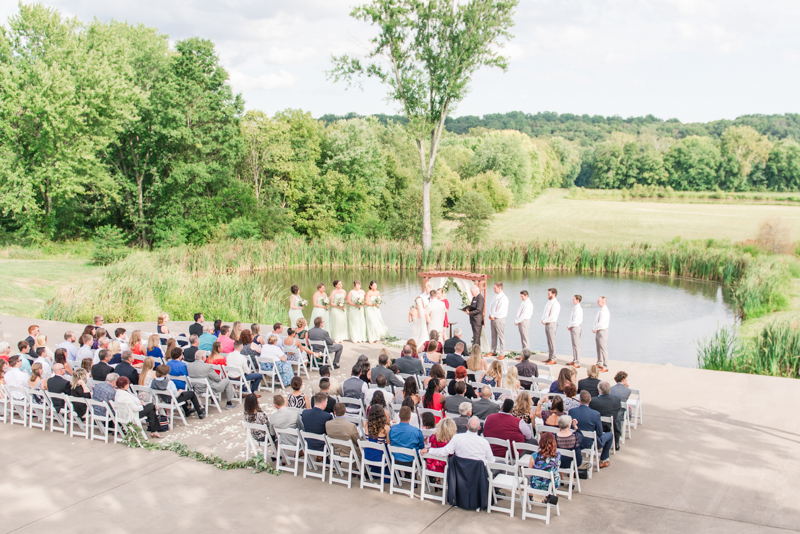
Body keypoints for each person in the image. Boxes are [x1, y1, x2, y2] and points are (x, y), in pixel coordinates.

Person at [421, 417, 494, 465]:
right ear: (479, 428)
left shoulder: (457, 438)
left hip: (461, 471)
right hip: (477, 473)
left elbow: (444, 451)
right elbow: (491, 461)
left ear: (467, 426)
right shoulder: (484, 442)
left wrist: (429, 450)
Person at [569, 390, 613, 468]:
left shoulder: (572, 411)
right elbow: (599, 433)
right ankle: (603, 459)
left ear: (579, 400)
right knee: (610, 435)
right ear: (590, 400)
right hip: (588, 442)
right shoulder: (595, 414)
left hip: (575, 440)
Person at [590, 381, 623, 446]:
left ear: (599, 390)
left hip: (599, 425)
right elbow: (618, 409)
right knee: (617, 418)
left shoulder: (593, 401)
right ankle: (616, 442)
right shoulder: (617, 399)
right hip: (612, 424)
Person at [487, 283, 508, 356]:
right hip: (492, 318)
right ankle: (493, 350)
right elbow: (490, 306)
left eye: (495, 288)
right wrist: (490, 314)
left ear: (500, 288)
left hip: (499, 319)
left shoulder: (504, 298)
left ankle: (502, 353)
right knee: (493, 335)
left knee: (500, 336)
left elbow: (501, 310)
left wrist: (493, 315)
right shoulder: (494, 296)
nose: (494, 289)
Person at [542, 288, 561, 365]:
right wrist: (542, 319)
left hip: (552, 323)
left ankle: (553, 358)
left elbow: (553, 316)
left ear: (554, 294)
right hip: (547, 323)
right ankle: (550, 357)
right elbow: (545, 312)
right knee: (548, 341)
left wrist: (545, 320)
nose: (548, 295)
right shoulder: (548, 302)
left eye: (549, 294)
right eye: (548, 293)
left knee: (552, 341)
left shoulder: (556, 304)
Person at [593, 296, 611, 372]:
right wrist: (593, 327)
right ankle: (599, 362)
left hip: (602, 330)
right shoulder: (600, 310)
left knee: (603, 348)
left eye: (598, 301)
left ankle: (605, 366)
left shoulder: (605, 311)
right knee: (598, 347)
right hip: (598, 330)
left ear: (603, 302)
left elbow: (601, 323)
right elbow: (596, 321)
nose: (597, 302)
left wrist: (595, 328)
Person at [568, 295, 584, 369]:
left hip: (576, 327)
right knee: (574, 344)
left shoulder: (578, 309)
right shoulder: (575, 308)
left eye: (574, 299)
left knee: (576, 345)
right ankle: (574, 360)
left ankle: (577, 362)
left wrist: (569, 325)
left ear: (577, 300)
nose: (572, 300)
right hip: (573, 327)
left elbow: (576, 320)